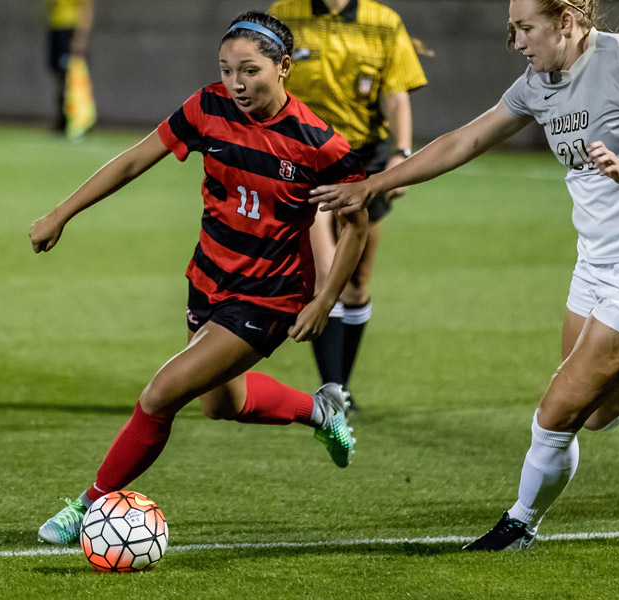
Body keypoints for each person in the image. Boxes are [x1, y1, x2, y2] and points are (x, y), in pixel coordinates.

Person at [310, 0, 619, 551]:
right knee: (600, 413)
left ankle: (519, 526)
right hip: (595, 266)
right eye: (511, 28)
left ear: (566, 21)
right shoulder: (539, 82)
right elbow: (464, 140)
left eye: (524, 28)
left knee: (556, 411)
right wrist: (372, 185)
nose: (515, 42)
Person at [29, 11, 369, 546]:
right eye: (227, 69)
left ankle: (87, 507)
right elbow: (134, 161)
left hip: (271, 297)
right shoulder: (208, 106)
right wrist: (61, 213)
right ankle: (321, 410)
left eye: (251, 70)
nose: (237, 83)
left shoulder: (319, 144)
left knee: (161, 393)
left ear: (284, 68)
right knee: (221, 405)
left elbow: (356, 224)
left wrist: (325, 299)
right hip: (208, 279)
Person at [268, 0, 428, 412]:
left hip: (364, 159)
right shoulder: (285, 12)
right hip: (305, 157)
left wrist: (403, 152)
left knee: (356, 283)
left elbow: (396, 94)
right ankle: (333, 389)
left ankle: (342, 384)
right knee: (324, 272)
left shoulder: (384, 22)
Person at [47, 0, 96, 138]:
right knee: (59, 75)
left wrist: (81, 36)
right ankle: (62, 118)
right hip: (56, 28)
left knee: (74, 76)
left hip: (71, 29)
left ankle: (79, 119)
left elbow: (87, 8)